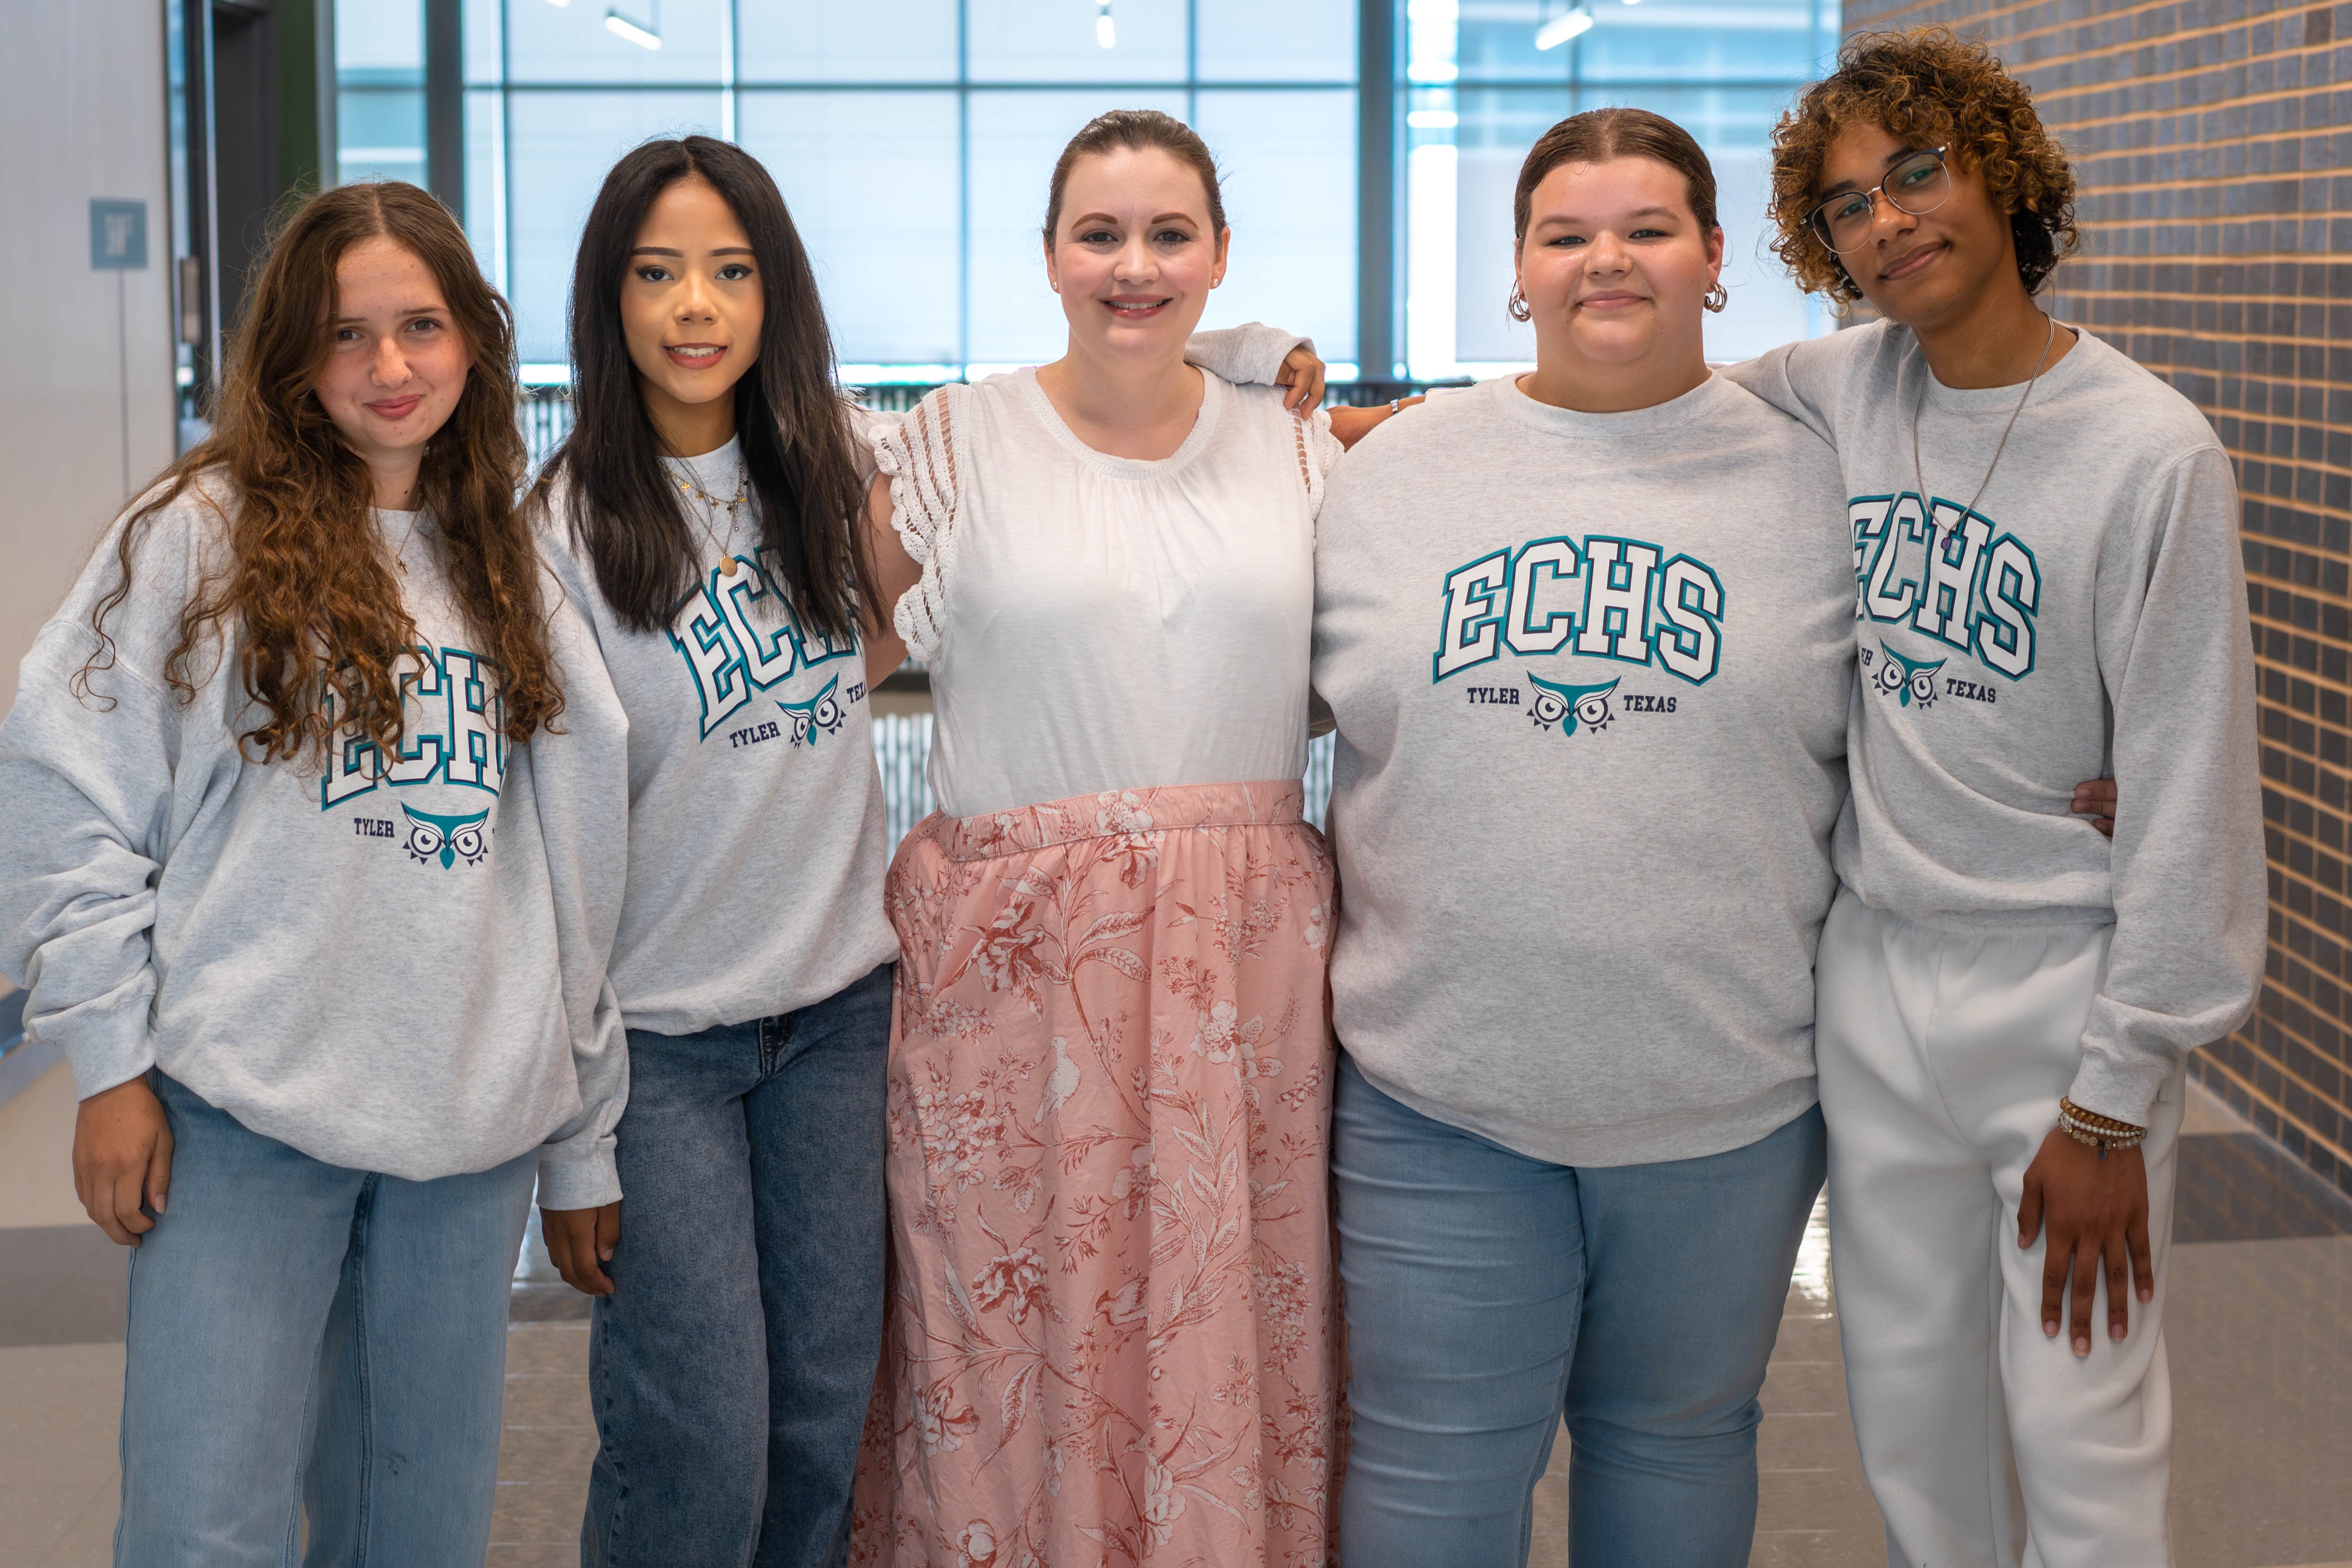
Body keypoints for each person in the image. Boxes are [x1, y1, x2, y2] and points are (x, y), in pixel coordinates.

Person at [0, 181, 627, 1566]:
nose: (391, 367)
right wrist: (107, 1062)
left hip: (464, 1139)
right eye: (348, 335)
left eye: (422, 326)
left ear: (474, 340)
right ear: (292, 358)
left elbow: (574, 871)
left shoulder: (513, 564)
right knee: (201, 1521)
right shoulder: (200, 537)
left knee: (415, 1522)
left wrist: (579, 1136)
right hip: (241, 1115)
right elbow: (63, 787)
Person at [1726, 30, 2265, 1568]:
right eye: (1843, 207)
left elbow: (2189, 792)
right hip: (1875, 974)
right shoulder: (1840, 386)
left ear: (2001, 177)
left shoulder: (2151, 453)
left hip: (2061, 992)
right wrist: (1273, 389)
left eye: (1916, 172)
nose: (1885, 221)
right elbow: (1625, 390)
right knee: (1908, 1417)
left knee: (2083, 1424)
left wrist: (2114, 1094)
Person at [1310, 108, 1851, 1566]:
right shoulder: (1393, 481)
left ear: (1718, 260)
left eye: (1649, 228)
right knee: (1429, 1467)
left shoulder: (1821, 480)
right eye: (1565, 234)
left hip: (1725, 1098)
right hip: (1439, 1093)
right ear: (1518, 273)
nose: (1606, 258)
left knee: (1676, 1443)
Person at [848, 109, 1344, 1565]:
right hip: (1017, 981)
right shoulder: (957, 439)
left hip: (1240, 984)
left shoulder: (1296, 447)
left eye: (1169, 234)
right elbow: (839, 665)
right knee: (1007, 1333)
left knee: (1222, 1328)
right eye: (1101, 234)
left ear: (1221, 256)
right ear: (1050, 255)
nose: (1135, 265)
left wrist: (1267, 359)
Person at [530, 135, 902, 1568]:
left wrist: (1256, 355)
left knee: (821, 1420)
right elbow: (550, 855)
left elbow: (1046, 423)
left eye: (731, 272)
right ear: (610, 300)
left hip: (838, 1024)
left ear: (776, 297)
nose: (696, 306)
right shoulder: (558, 531)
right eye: (659, 271)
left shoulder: (833, 470)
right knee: (701, 1436)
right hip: (663, 1051)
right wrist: (575, 1137)